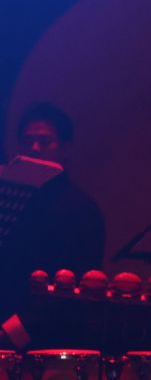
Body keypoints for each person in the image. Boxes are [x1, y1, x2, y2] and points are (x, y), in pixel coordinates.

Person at [0, 103, 106, 350]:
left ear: (65, 149)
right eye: (28, 142)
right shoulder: (9, 199)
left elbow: (71, 287)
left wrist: (11, 333)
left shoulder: (80, 208)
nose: (34, 149)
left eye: (45, 142)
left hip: (51, 342)